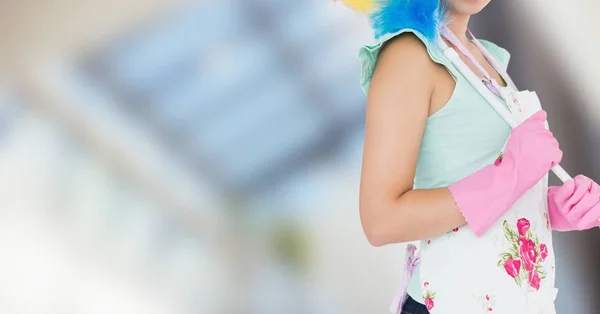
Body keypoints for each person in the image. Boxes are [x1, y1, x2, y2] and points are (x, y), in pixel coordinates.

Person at [339, 0, 600, 313]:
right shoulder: (408, 56)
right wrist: (511, 175)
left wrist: (548, 207)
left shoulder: (484, 57)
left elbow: (472, 178)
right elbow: (380, 221)